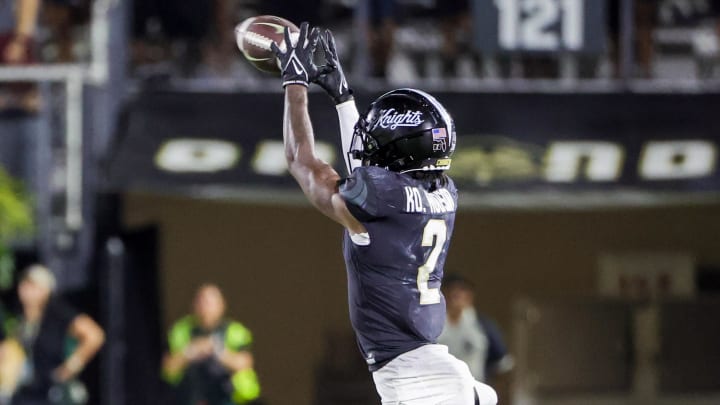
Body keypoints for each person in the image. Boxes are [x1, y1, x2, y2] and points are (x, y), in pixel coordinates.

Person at [270, 23, 497, 405]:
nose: (367, 142)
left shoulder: (381, 198)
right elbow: (365, 168)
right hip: (432, 371)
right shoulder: (443, 191)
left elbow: (300, 160)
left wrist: (295, 83)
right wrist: (342, 97)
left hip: (418, 385)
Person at [3, 264, 105, 405]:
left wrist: (71, 366)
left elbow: (94, 335)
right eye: (25, 285)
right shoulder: (19, 318)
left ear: (46, 289)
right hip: (24, 393)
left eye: (33, 286)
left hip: (52, 392)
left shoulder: (58, 314)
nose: (27, 290)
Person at [162, 284, 261, 405]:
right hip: (190, 397)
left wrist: (217, 350)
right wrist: (191, 351)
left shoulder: (235, 331)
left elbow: (245, 363)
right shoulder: (180, 331)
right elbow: (168, 368)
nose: (205, 307)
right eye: (201, 301)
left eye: (209, 303)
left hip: (227, 398)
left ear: (221, 305)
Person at [438, 275, 513, 383]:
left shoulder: (483, 324)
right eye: (451, 290)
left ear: (470, 296)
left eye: (461, 290)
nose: (455, 294)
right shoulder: (430, 325)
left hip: (474, 388)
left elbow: (501, 363)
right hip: (439, 388)